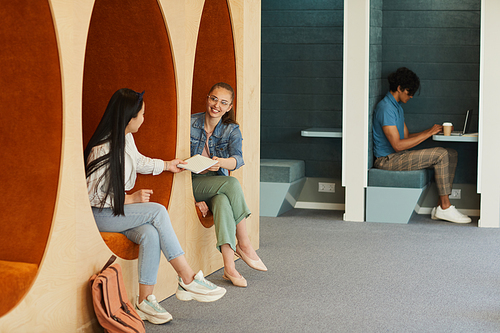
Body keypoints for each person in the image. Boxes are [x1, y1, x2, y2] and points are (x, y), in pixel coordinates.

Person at [85, 88, 226, 325]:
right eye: (141, 114)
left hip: (115, 212)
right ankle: (187, 278)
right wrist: (129, 199)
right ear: (129, 118)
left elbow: (138, 161)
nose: (144, 118)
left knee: (150, 233)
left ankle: (145, 301)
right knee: (157, 211)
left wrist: (168, 165)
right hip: (100, 214)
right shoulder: (103, 148)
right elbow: (90, 196)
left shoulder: (125, 137)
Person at [190, 82, 267, 288]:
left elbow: (237, 160)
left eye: (223, 103)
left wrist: (219, 163)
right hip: (191, 184)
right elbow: (177, 160)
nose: (217, 105)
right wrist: (193, 199)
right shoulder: (190, 123)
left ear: (229, 107)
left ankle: (229, 268)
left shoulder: (231, 129)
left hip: (217, 183)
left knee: (223, 201)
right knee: (232, 183)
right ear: (207, 98)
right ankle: (244, 243)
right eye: (214, 99)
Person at [372, 67, 471, 223]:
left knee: (451, 153)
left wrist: (431, 131)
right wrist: (427, 133)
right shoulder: (385, 108)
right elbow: (398, 145)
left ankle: (440, 207)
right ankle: (446, 207)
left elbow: (405, 137)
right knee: (441, 154)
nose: (411, 96)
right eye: (409, 92)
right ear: (399, 88)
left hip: (398, 156)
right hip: (387, 160)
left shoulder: (396, 107)